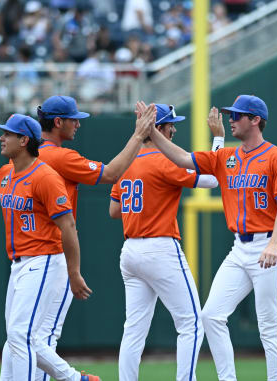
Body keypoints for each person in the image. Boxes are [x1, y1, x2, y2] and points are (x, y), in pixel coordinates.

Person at [149, 95, 277, 381]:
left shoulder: (276, 157)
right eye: (231, 114)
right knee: (211, 316)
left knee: (268, 326)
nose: (231, 119)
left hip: (269, 245)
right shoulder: (226, 156)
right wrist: (151, 131)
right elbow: (181, 158)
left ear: (255, 120)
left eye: (238, 115)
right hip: (239, 248)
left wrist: (275, 244)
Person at [0, 114, 99, 381]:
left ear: (24, 140)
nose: (2, 138)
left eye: (8, 134)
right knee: (18, 337)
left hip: (45, 260)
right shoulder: (5, 174)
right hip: (19, 265)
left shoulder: (45, 176)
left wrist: (74, 272)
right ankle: (76, 379)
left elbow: (68, 226)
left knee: (20, 334)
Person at [34, 95, 155, 381]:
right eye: (74, 119)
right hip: (51, 255)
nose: (78, 124)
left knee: (22, 337)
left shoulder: (27, 157)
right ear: (58, 121)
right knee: (37, 338)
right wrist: (139, 135)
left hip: (27, 252)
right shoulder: (58, 156)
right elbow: (112, 173)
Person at [110, 103, 219, 381]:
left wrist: (146, 197)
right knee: (191, 323)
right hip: (159, 247)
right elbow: (211, 179)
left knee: (133, 329)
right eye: (171, 125)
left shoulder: (126, 160)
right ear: (158, 128)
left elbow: (114, 210)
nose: (174, 130)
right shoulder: (164, 160)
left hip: (130, 250)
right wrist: (217, 140)